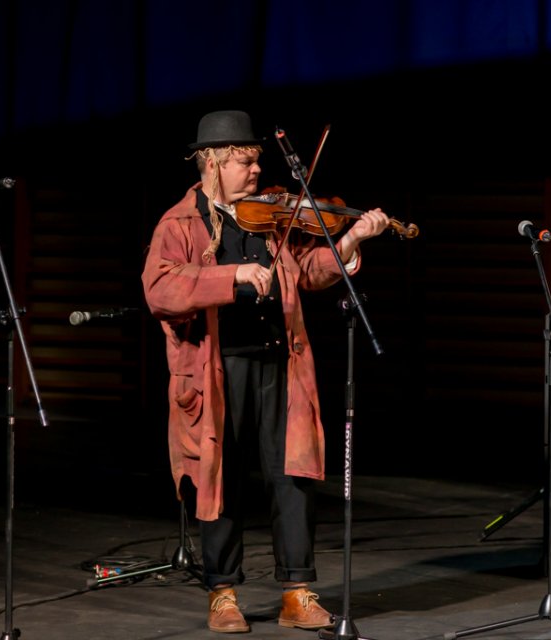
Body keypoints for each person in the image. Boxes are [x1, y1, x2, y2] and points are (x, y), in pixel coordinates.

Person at [142, 110, 389, 633]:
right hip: (216, 368)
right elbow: (160, 289)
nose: (255, 172)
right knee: (220, 477)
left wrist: (347, 245)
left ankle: (297, 592)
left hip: (280, 361)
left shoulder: (271, 215)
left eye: (256, 161)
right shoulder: (179, 223)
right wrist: (231, 275)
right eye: (244, 162)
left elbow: (307, 271)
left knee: (293, 476)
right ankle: (223, 593)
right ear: (211, 163)